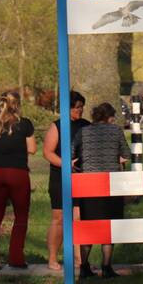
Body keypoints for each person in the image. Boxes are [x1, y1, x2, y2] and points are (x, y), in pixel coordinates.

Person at [0, 91, 35, 271]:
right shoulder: (25, 124)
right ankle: (16, 259)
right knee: (21, 217)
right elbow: (32, 149)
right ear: (17, 105)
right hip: (18, 173)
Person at [72, 102, 129, 279]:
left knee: (89, 226)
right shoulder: (116, 130)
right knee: (110, 226)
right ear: (109, 116)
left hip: (89, 185)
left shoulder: (83, 131)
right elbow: (126, 154)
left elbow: (72, 152)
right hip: (111, 184)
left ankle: (84, 267)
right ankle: (106, 267)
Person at [42, 90, 89, 271]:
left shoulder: (86, 125)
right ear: (67, 108)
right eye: (77, 107)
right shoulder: (58, 126)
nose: (80, 110)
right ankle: (53, 258)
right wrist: (66, 164)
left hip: (82, 178)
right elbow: (47, 152)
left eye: (82, 107)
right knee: (59, 218)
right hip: (60, 177)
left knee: (78, 217)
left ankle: (79, 258)